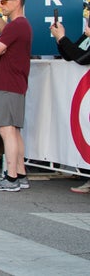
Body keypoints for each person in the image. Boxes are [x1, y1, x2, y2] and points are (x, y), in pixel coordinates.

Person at [0, 0, 32, 192]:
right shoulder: (23, 25)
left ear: (17, 2)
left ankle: (11, 177)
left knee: (6, 129)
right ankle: (19, 174)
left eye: (5, 1)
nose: (1, 5)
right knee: (14, 130)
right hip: (16, 82)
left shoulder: (15, 26)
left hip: (7, 82)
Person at [48, 16, 90, 193]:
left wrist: (63, 38)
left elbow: (82, 58)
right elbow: (70, 54)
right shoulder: (86, 35)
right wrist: (60, 37)